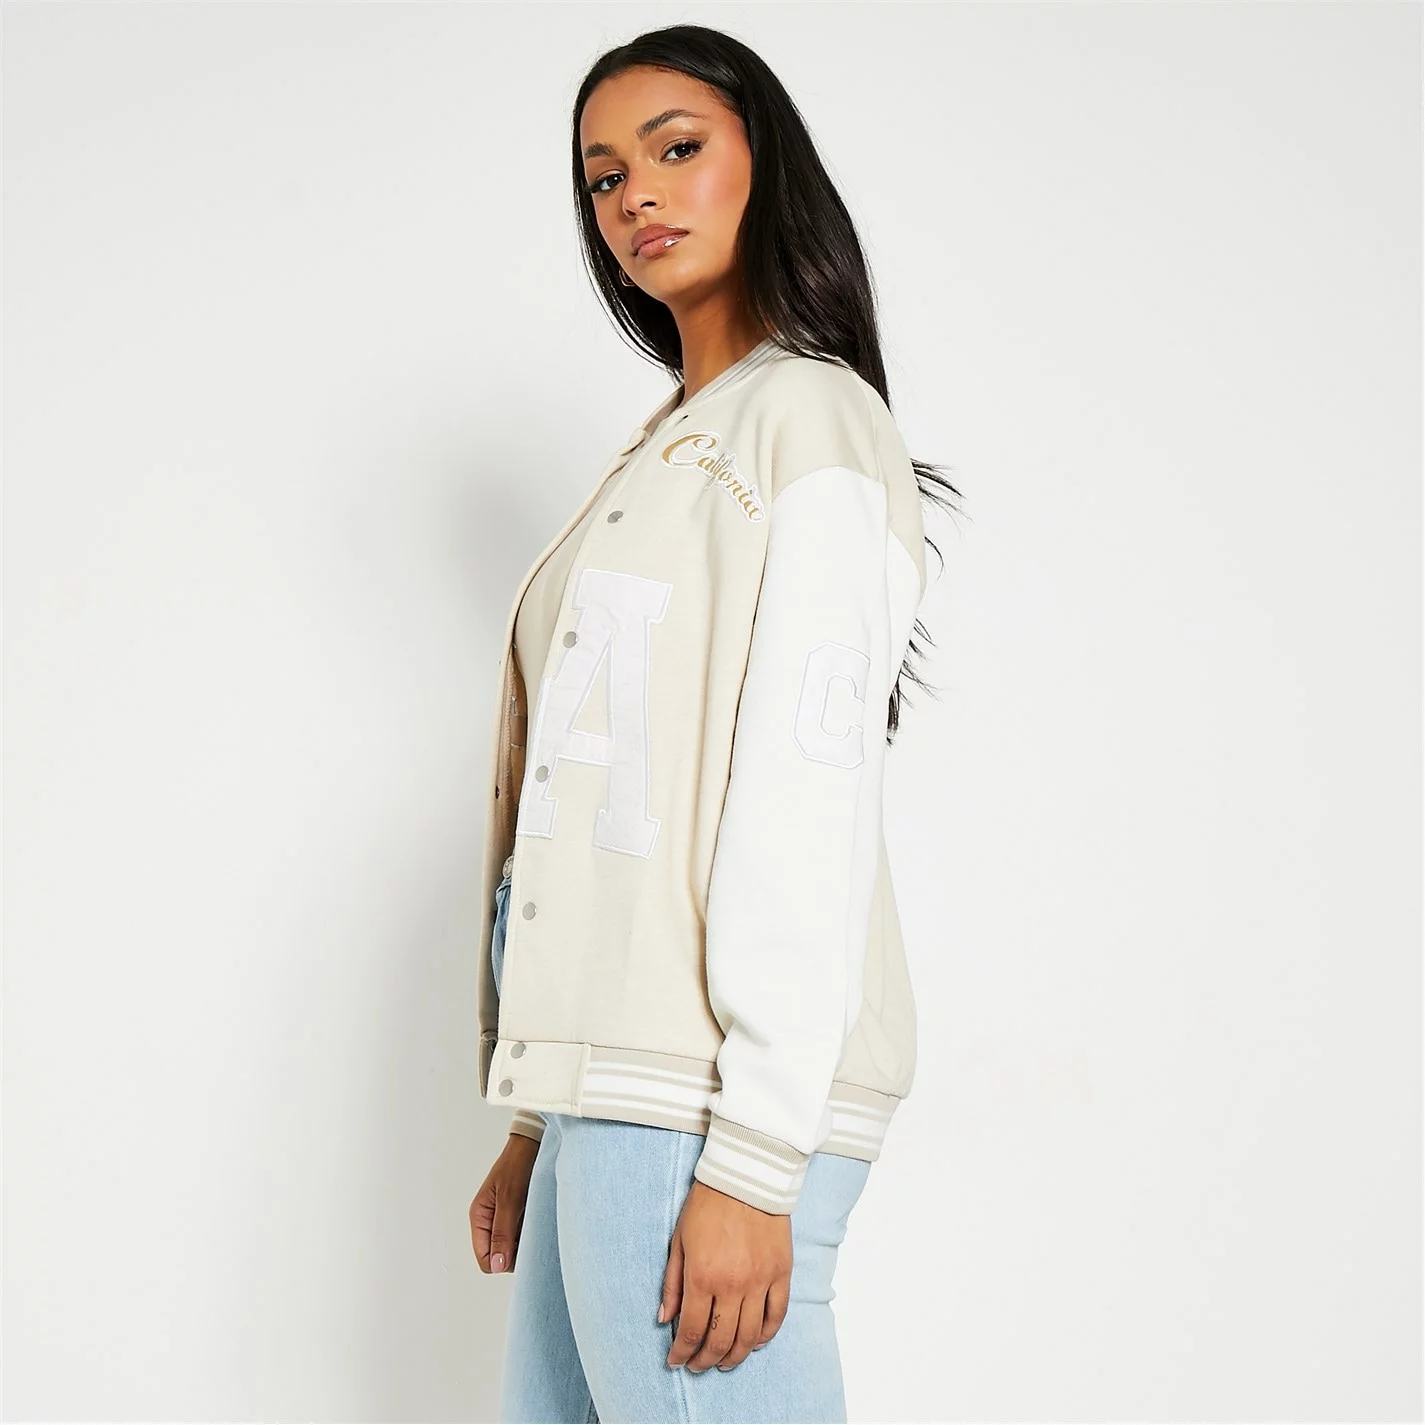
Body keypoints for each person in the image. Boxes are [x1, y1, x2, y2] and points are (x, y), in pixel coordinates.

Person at [467, 22, 961, 1425]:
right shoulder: (671, 443)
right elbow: (605, 798)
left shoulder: (806, 418)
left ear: (767, 164)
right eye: (604, 176)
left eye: (676, 148)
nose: (636, 195)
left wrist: (751, 1156)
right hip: (611, 1096)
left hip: (698, 1101)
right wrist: (538, 1110)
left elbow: (803, 794)